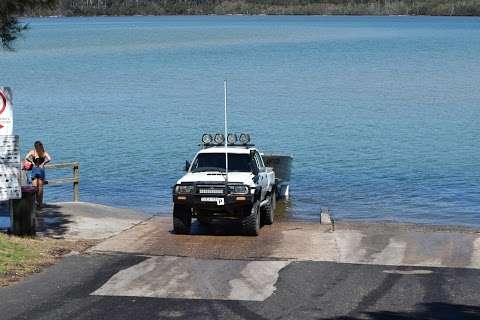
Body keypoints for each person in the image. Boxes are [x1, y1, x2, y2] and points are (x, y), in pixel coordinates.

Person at [25, 141, 51, 209]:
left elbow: (26, 157)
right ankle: (40, 204)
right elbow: (49, 159)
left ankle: (35, 203)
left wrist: (32, 162)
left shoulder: (33, 152)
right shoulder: (44, 153)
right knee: (40, 188)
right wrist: (43, 163)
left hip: (34, 169)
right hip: (41, 170)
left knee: (34, 188)